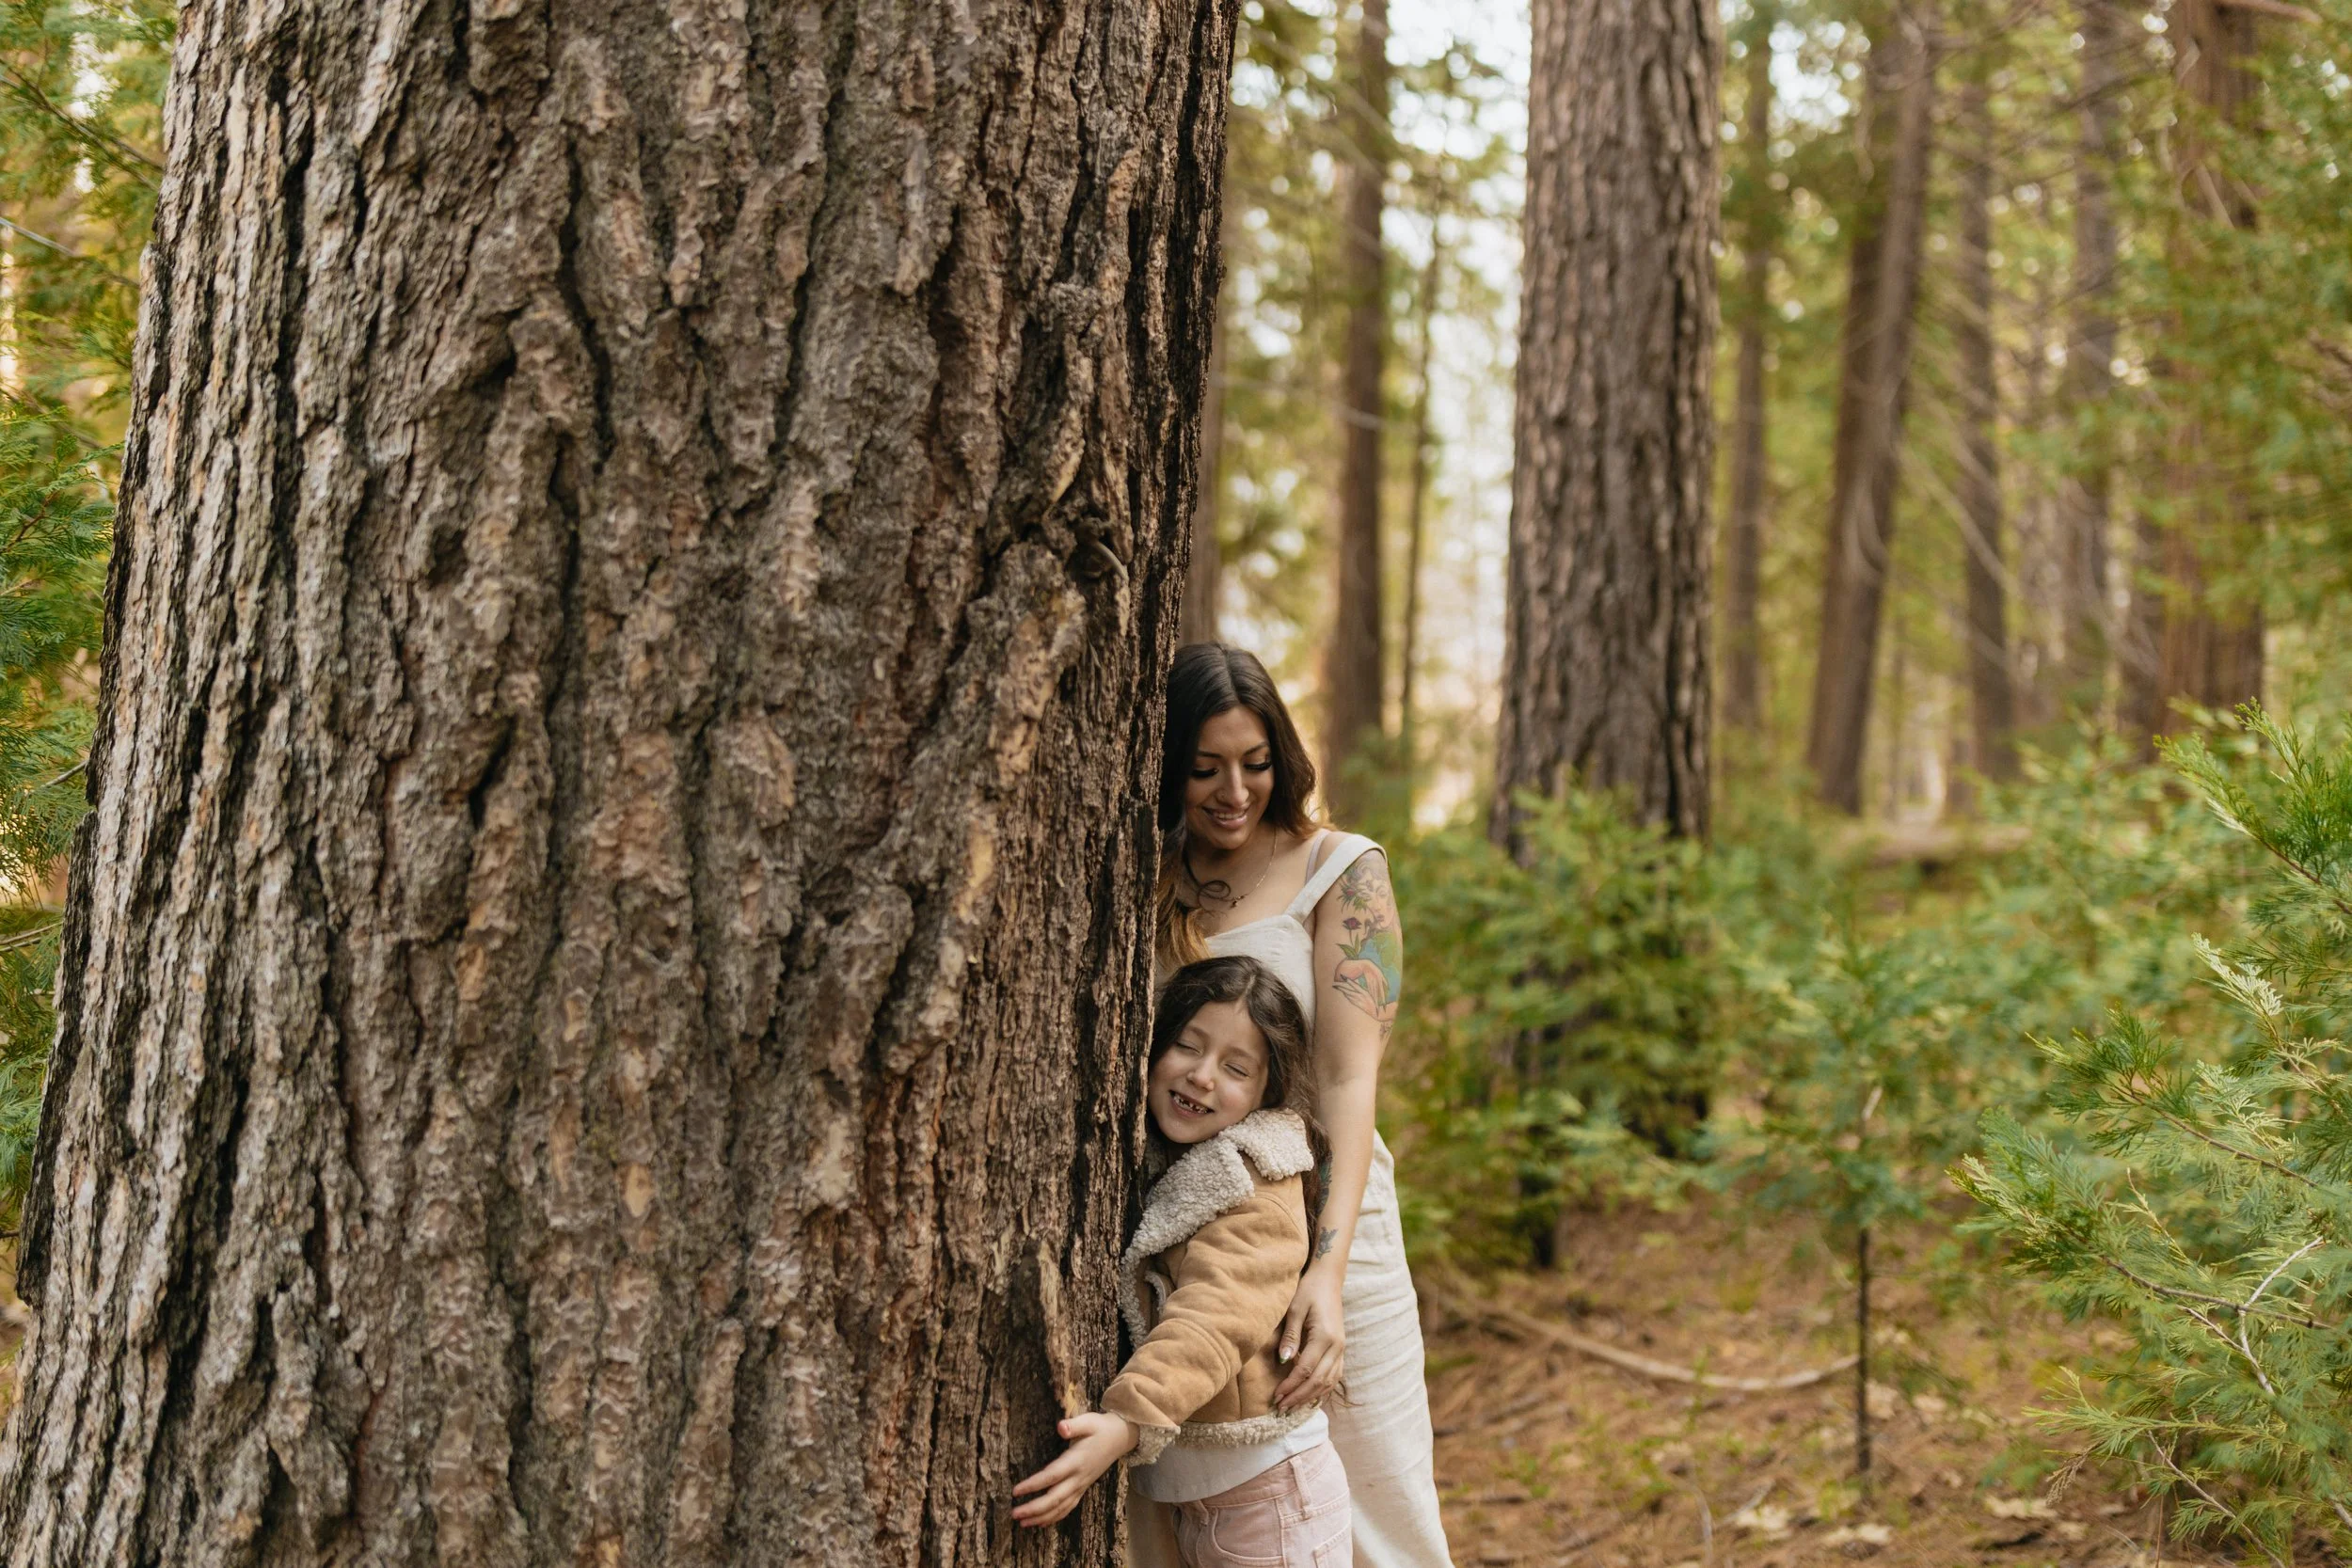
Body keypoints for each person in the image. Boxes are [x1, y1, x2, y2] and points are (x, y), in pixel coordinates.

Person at [1144, 642, 1454, 1566]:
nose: (1232, 789)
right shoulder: (1145, 878)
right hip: (1190, 1240)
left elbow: (1352, 1081)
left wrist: (1324, 1271)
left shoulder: (1339, 868)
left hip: (1331, 1229)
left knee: (1380, 1515)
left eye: (1254, 761)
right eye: (1203, 768)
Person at [1013, 957, 1351, 1567]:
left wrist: (1126, 1422)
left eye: (1234, 1067)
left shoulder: (1255, 1179)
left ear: (1265, 1090)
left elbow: (1214, 1320)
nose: (1200, 1076)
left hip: (1270, 1499)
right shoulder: (1175, 1164)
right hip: (1205, 1498)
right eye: (1186, 1046)